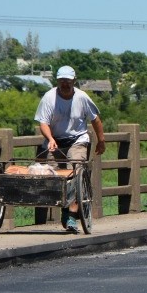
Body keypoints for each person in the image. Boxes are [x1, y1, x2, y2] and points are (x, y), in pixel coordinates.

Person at [35, 66, 105, 233]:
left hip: (78, 139)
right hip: (55, 140)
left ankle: (72, 215)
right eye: (62, 81)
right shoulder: (49, 98)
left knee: (75, 172)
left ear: (74, 81)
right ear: (57, 81)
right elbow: (43, 123)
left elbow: (95, 120)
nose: (65, 84)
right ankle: (64, 210)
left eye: (68, 81)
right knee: (54, 176)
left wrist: (101, 140)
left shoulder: (82, 97)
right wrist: (50, 139)